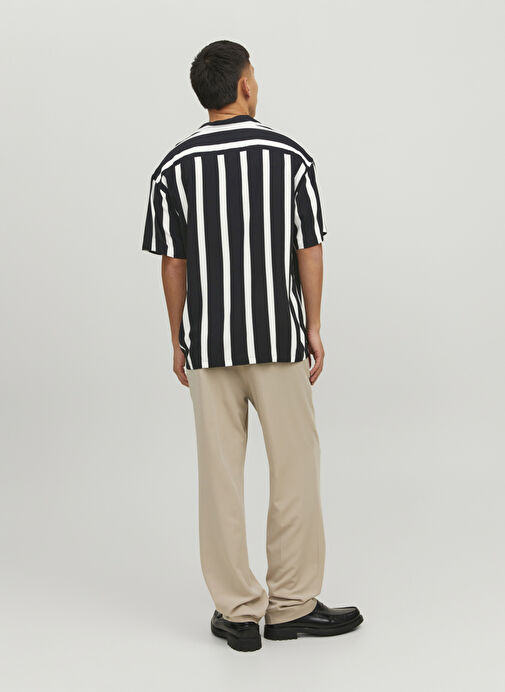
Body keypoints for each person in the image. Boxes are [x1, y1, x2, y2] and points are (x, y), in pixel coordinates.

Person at [141, 39, 363, 652]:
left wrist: (178, 338)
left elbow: (173, 262)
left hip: (209, 346)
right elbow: (308, 248)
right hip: (278, 340)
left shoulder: (173, 167)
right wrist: (313, 327)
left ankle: (237, 614)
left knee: (219, 477)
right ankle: (290, 606)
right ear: (244, 85)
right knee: (295, 469)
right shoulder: (289, 157)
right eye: (254, 77)